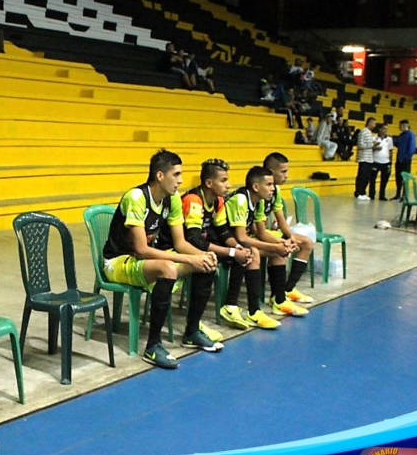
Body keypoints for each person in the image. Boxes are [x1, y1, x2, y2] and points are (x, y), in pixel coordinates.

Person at [102, 149, 219, 369]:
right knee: (168, 268)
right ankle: (153, 347)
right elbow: (142, 249)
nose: (180, 180)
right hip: (118, 261)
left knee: (206, 264)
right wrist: (188, 259)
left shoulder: (172, 199)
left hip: (141, 261)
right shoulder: (136, 198)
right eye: (176, 174)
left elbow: (181, 243)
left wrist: (200, 256)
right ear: (159, 176)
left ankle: (192, 331)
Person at [182, 159, 280, 332]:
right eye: (223, 180)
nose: (229, 185)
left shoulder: (219, 201)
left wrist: (237, 248)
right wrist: (232, 252)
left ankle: (249, 310)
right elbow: (194, 240)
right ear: (209, 183)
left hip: (205, 243)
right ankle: (197, 323)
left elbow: (223, 233)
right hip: (186, 247)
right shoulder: (193, 200)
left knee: (247, 252)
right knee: (220, 260)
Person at [224, 166, 308, 318]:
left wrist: (282, 243)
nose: (272, 189)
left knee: (279, 251)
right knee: (255, 252)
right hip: (227, 242)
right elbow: (242, 237)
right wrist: (275, 246)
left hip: (240, 241)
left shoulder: (260, 200)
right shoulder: (241, 199)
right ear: (256, 187)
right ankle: (253, 311)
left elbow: (261, 232)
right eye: (269, 185)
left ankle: (279, 300)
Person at [256, 153, 314, 304]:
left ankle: (287, 289)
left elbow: (281, 219)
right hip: (254, 235)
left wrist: (291, 236)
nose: (287, 176)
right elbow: (257, 231)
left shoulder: (276, 191)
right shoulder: (259, 192)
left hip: (266, 232)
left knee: (306, 243)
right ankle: (277, 296)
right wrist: (281, 241)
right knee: (281, 248)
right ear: (270, 171)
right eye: (283, 172)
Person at [392, 120, 416, 201]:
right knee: (398, 178)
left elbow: (412, 148)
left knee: (405, 179)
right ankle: (398, 194)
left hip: (405, 160)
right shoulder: (401, 135)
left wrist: (406, 157)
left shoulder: (410, 135)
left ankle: (404, 195)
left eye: (400, 126)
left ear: (404, 125)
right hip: (399, 159)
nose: (399, 127)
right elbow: (397, 143)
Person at [368, 124, 394, 200]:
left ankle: (382, 195)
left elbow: (391, 150)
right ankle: (371, 194)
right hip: (375, 161)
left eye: (386, 129)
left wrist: (390, 161)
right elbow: (370, 148)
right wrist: (375, 147)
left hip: (386, 162)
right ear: (379, 129)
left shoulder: (389, 139)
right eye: (383, 128)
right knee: (372, 179)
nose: (385, 130)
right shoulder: (374, 138)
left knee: (384, 180)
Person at [354, 117, 378, 201]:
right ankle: (358, 193)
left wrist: (375, 146)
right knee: (361, 176)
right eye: (374, 123)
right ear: (370, 123)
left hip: (369, 158)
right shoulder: (363, 132)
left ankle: (363, 192)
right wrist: (372, 145)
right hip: (363, 158)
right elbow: (360, 145)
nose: (374, 126)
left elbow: (369, 146)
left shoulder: (369, 133)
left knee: (367, 177)